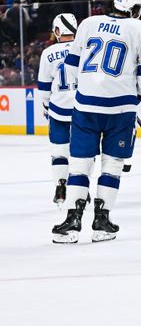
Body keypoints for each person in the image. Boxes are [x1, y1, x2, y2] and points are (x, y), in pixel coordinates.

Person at [52, 0, 141, 244]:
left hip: (86, 106)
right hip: (120, 109)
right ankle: (103, 220)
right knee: (112, 165)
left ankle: (72, 220)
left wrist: (93, 86)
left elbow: (72, 66)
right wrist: (136, 94)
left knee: (79, 164)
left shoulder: (89, 23)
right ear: (134, 8)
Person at [38, 13, 79, 206]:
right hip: (83, 108)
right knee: (83, 152)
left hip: (58, 109)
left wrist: (46, 105)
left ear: (57, 31)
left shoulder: (48, 53)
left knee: (59, 151)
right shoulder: (85, 49)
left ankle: (61, 188)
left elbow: (44, 86)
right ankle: (81, 190)